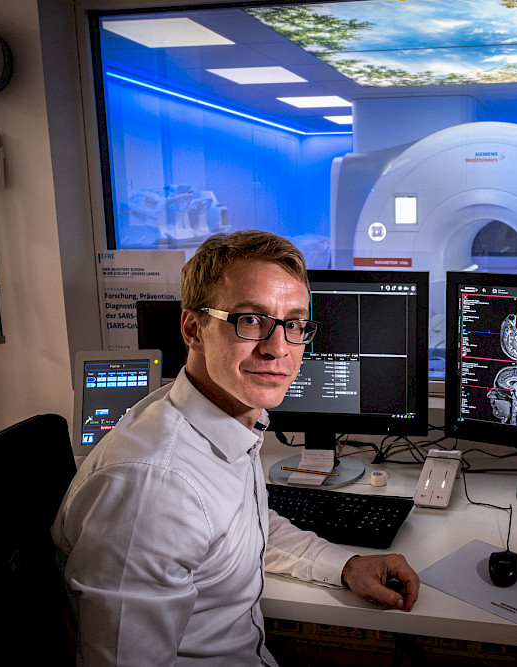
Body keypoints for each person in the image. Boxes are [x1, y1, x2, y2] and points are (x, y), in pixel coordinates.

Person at [52, 230, 420, 666]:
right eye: (250, 320)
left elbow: (243, 523)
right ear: (193, 328)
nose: (278, 348)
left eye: (295, 324)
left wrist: (346, 565)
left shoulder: (217, 416)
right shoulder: (153, 489)